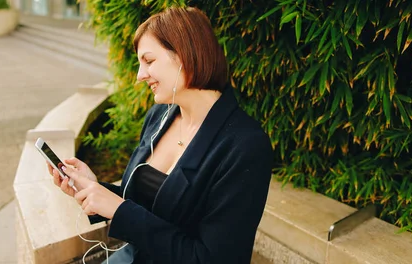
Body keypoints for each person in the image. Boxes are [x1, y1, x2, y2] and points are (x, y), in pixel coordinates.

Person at [47, 6, 273, 264]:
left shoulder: (245, 146)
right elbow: (149, 203)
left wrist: (120, 211)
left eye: (149, 61)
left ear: (184, 54)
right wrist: (94, 188)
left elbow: (212, 259)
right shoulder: (159, 117)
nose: (140, 76)